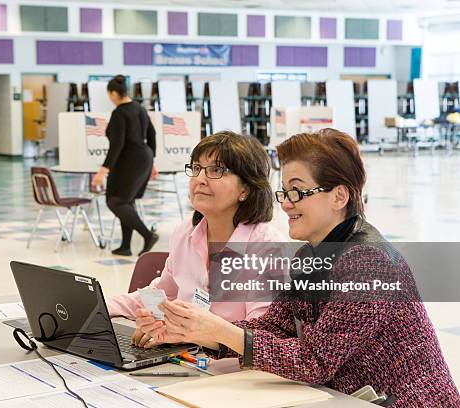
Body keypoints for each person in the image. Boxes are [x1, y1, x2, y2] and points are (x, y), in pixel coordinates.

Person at [142, 129, 460, 407]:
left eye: (297, 191)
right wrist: (198, 332)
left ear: (339, 196)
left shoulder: (368, 265)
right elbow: (276, 327)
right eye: (284, 191)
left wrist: (219, 330)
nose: (285, 203)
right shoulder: (312, 254)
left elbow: (314, 361)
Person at [107, 131, 285, 347]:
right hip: (186, 356)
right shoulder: (186, 233)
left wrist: (185, 334)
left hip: (237, 371)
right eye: (197, 168)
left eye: (217, 170)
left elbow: (262, 337)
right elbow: (161, 296)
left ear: (245, 189)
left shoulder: (268, 247)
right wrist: (96, 306)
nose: (200, 179)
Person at [91, 75, 159, 257]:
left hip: (129, 160)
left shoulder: (120, 113)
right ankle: (125, 246)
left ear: (114, 93)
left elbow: (117, 145)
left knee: (115, 201)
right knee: (126, 201)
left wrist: (102, 171)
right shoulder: (140, 108)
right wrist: (152, 160)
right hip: (143, 157)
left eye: (109, 94)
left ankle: (148, 235)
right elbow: (152, 134)